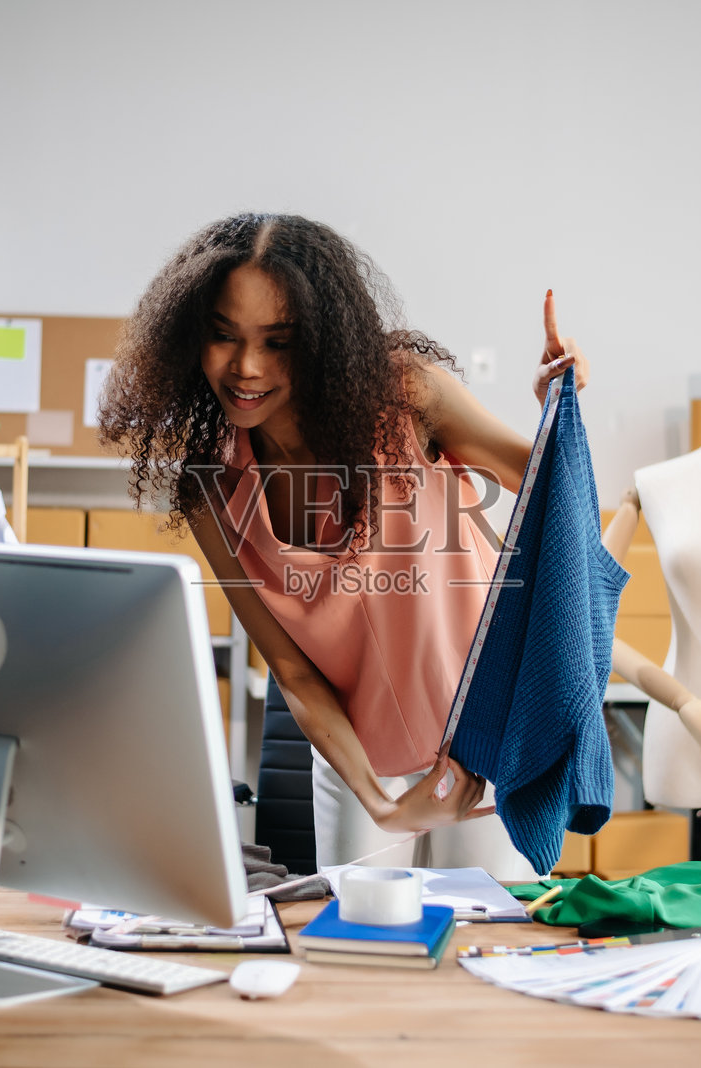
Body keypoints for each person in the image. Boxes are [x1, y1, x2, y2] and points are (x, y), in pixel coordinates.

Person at [99, 213, 588, 877]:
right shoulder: (210, 488)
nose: (246, 367)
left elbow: (551, 500)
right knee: (361, 959)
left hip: (493, 744)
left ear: (322, 340)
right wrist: (379, 805)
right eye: (223, 337)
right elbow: (292, 670)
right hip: (362, 762)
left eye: (279, 342)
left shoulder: (406, 396)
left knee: (491, 959)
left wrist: (556, 408)